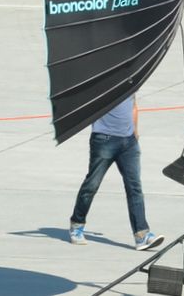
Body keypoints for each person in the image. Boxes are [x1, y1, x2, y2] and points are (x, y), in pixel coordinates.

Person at [69, 93, 164, 250]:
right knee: (92, 184)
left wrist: (135, 131)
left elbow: (133, 106)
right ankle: (77, 225)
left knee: (135, 188)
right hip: (104, 140)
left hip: (129, 142)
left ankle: (141, 235)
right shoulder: (103, 82)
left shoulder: (130, 80)